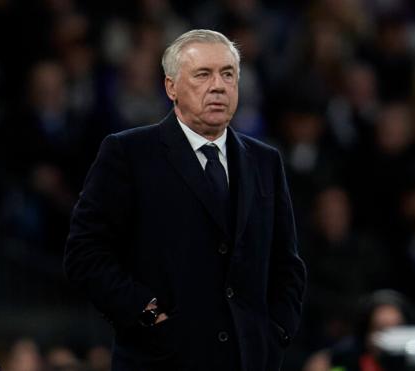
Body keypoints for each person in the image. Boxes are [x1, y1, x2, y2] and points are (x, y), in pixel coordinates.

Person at [63, 29, 307, 371]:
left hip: (248, 360)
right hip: (161, 360)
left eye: (228, 74)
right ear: (171, 87)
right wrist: (146, 313)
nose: (219, 86)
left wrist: (276, 332)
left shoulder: (265, 160)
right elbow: (85, 254)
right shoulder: (129, 153)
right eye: (203, 74)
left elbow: (287, 263)